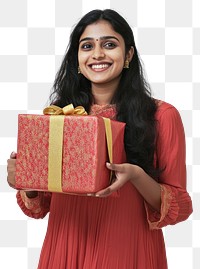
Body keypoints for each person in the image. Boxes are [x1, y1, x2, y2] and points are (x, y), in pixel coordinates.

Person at [7, 9, 193, 269]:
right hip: (65, 243)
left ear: (128, 54)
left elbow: (180, 208)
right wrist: (27, 181)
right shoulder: (60, 116)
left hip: (126, 247)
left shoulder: (162, 115)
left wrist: (137, 176)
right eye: (87, 46)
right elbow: (39, 207)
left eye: (109, 44)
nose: (97, 54)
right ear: (77, 58)